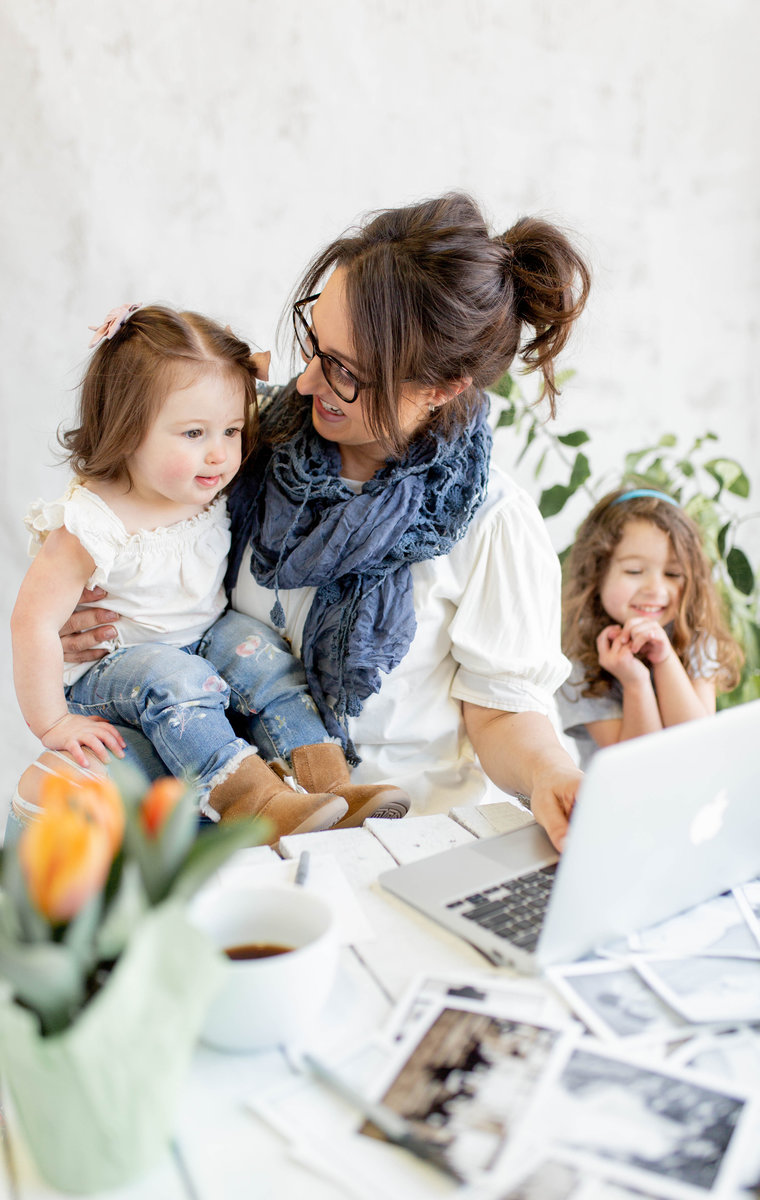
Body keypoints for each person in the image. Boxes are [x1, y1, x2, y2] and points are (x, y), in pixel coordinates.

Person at [46, 192, 591, 851]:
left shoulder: (493, 524)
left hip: (393, 850)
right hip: (216, 834)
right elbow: (123, 500)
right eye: (314, 345)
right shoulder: (244, 442)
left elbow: (503, 717)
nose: (304, 383)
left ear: (442, 387)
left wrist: (553, 775)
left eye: (345, 373)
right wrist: (94, 615)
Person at [11, 303, 409, 844]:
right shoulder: (92, 523)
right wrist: (52, 722)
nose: (220, 454)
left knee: (264, 653)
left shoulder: (206, 484)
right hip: (116, 670)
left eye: (231, 430)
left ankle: (329, 784)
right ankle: (253, 800)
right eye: (194, 433)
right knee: (175, 680)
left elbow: (271, 373)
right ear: (125, 430)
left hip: (202, 637)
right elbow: (31, 622)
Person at [558, 487, 742, 768]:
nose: (656, 589)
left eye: (673, 574)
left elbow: (699, 746)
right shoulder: (578, 659)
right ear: (597, 573)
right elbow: (639, 767)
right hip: (618, 806)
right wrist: (635, 682)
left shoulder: (697, 639)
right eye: (634, 571)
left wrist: (665, 658)